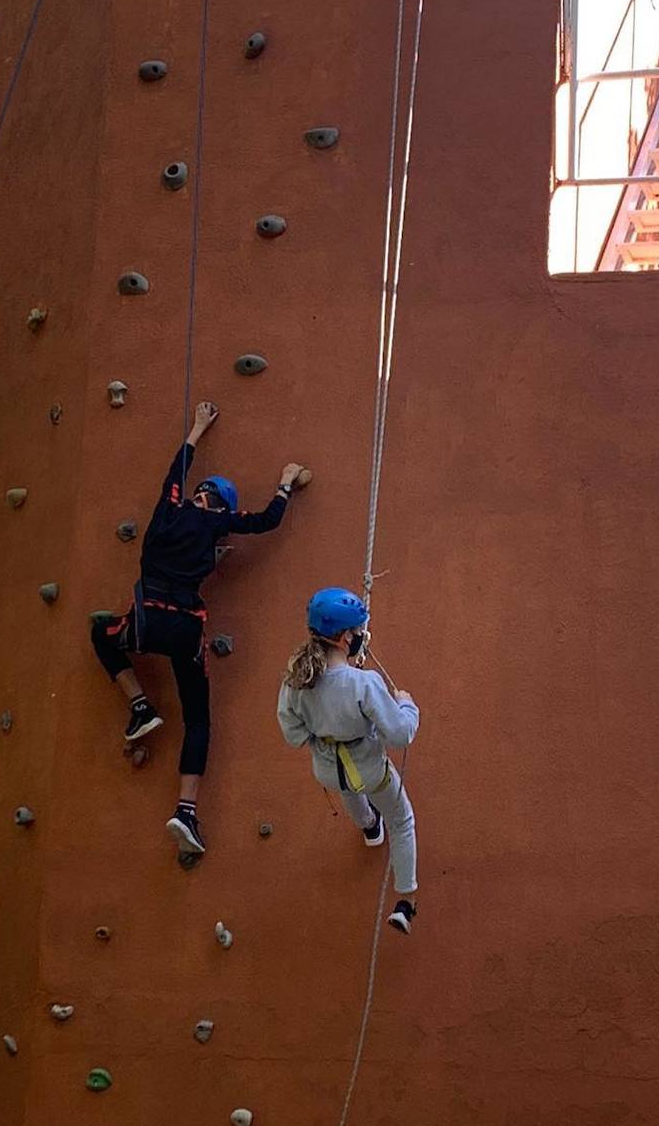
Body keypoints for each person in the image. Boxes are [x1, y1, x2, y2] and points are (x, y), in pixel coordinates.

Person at [92, 399, 305, 856]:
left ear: (198, 492)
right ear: (222, 508)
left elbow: (176, 470)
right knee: (199, 720)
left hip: (144, 624)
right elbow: (266, 521)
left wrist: (198, 427)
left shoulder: (170, 511)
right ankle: (186, 810)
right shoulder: (218, 523)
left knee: (101, 634)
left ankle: (141, 706)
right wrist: (285, 485)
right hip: (186, 631)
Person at [277, 587, 421, 933]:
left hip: (328, 770)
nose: (362, 636)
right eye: (358, 631)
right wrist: (406, 705)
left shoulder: (296, 680)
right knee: (401, 821)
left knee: (348, 789)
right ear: (345, 638)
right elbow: (400, 734)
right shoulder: (364, 683)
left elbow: (292, 734)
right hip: (371, 770)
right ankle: (405, 902)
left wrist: (321, 735)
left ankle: (370, 828)